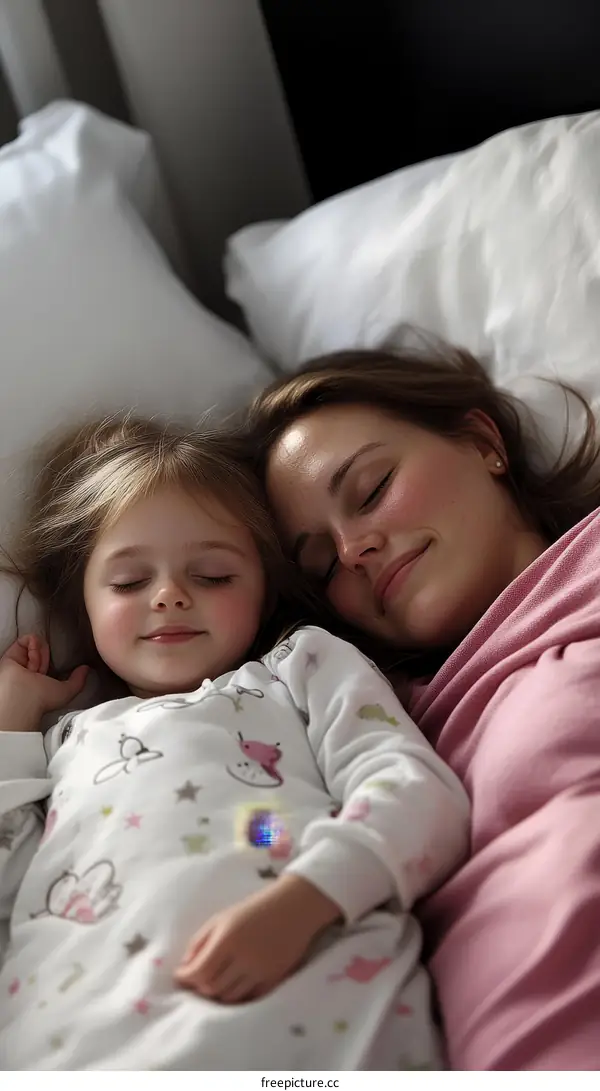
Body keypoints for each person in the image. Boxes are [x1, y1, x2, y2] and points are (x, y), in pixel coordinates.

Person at [0, 415, 469, 1071]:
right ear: (83, 599)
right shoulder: (69, 740)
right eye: (130, 582)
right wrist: (12, 728)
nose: (168, 596)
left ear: (262, 588)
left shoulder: (298, 669)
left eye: (213, 574)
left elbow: (416, 793)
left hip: (301, 1027)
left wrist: (308, 898)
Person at [243, 341, 600, 1072]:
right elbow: (249, 826)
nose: (353, 548)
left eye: (371, 490)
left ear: (482, 442)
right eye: (320, 563)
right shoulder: (367, 725)